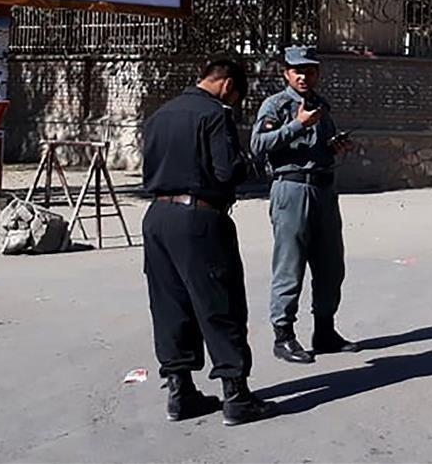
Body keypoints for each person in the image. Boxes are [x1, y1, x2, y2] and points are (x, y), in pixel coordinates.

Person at [141, 58, 274, 426]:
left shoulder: (160, 115)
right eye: (236, 95)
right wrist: (248, 164)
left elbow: (148, 169)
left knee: (170, 305)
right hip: (198, 218)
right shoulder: (216, 114)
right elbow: (226, 170)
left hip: (157, 217)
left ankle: (179, 392)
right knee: (220, 302)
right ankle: (236, 395)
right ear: (227, 84)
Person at [251, 46, 358, 364]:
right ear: (286, 72)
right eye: (297, 70)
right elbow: (258, 145)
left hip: (324, 190)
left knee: (331, 266)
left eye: (310, 71)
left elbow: (320, 147)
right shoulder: (276, 105)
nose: (303, 76)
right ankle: (283, 336)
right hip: (292, 189)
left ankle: (325, 331)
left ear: (318, 74)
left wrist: (336, 147)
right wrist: (297, 124)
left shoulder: (321, 107)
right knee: (290, 265)